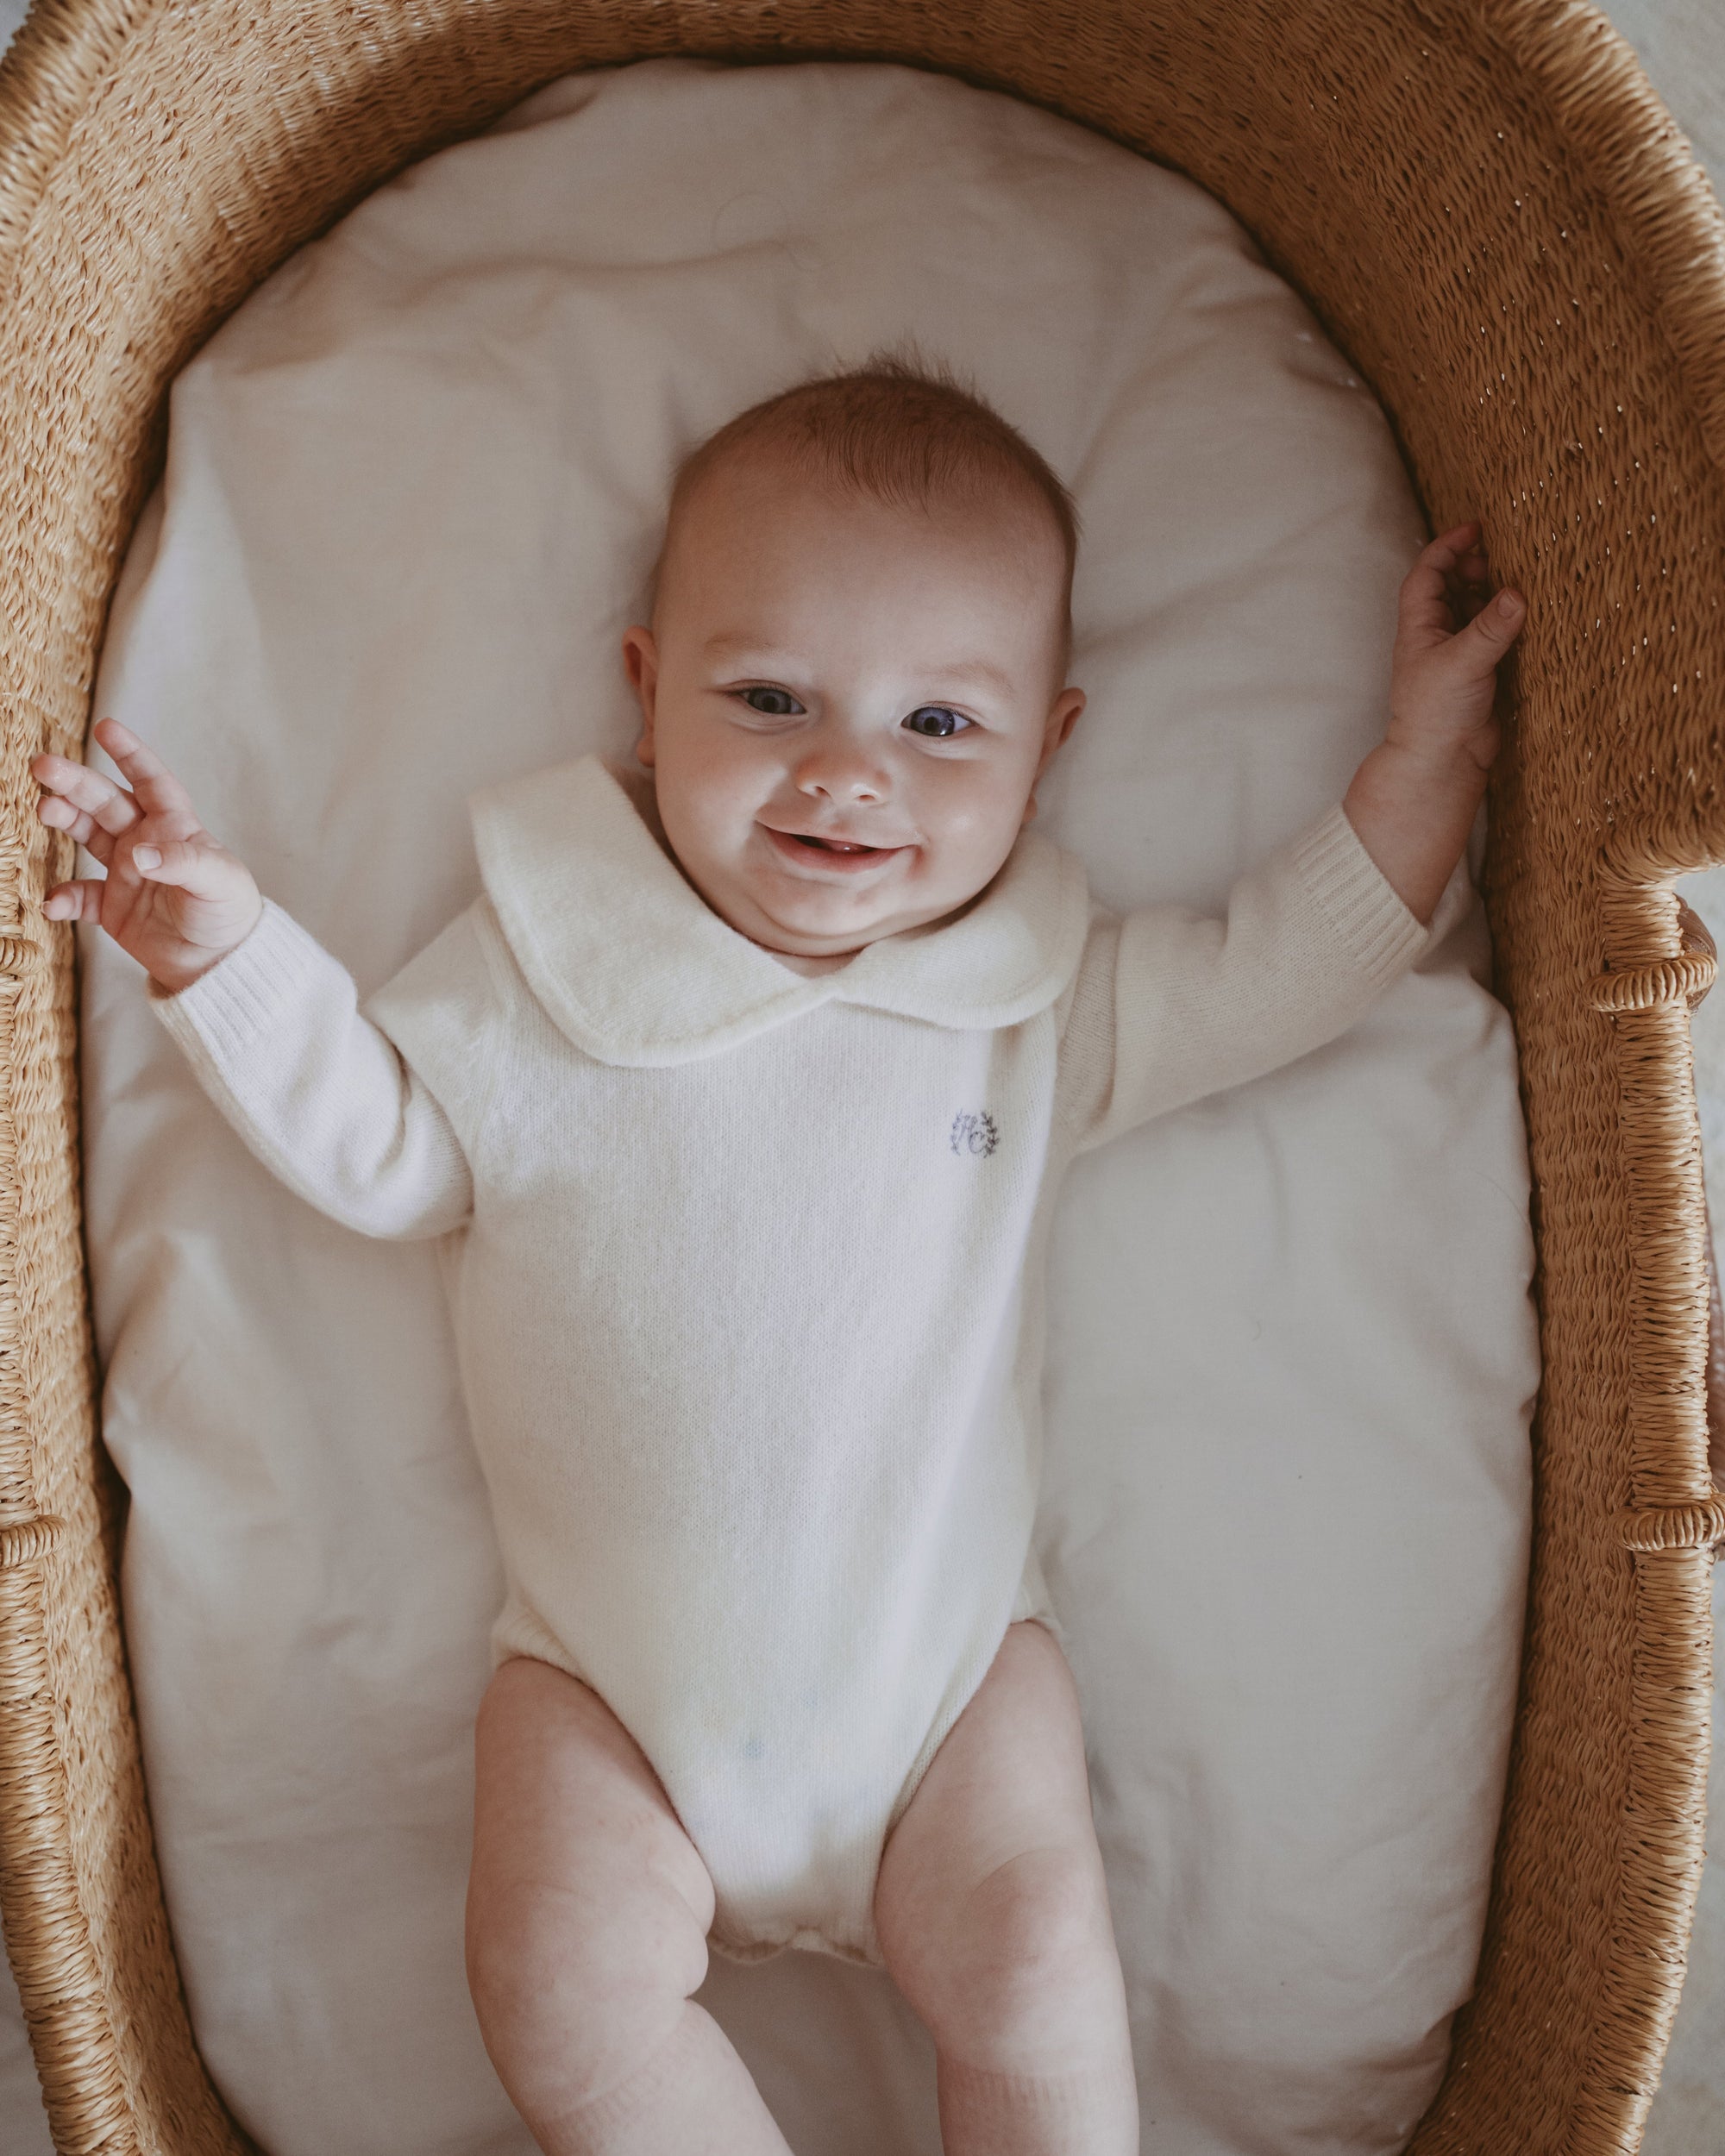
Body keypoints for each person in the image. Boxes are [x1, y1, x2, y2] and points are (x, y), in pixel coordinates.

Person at [33, 354, 1524, 2156]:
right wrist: (225, 949)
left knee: (1045, 1960)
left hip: (946, 1689)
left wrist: (1421, 758)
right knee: (558, 1985)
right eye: (770, 696)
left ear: (1049, 747)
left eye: (940, 727)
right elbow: (386, 1146)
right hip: (605, 1692)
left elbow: (1283, 965)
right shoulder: (543, 969)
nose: (846, 772)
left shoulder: (1030, 1012)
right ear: (647, 697)